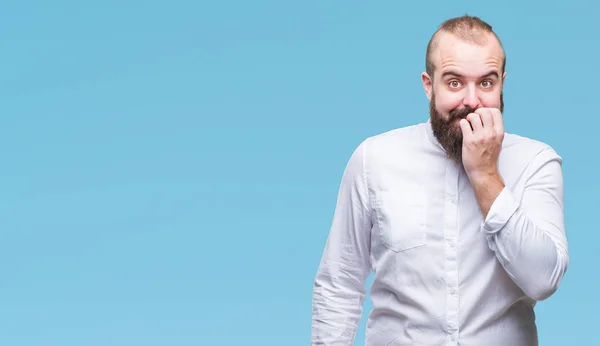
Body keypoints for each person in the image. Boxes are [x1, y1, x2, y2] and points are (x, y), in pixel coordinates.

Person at [311, 15, 569, 346]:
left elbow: (543, 280)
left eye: (486, 83)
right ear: (428, 85)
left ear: (502, 83)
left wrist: (486, 174)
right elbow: (339, 284)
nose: (472, 100)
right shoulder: (373, 159)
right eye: (454, 82)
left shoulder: (536, 162)